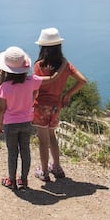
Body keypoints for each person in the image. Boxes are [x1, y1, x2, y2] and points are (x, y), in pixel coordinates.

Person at [0, 46, 65, 190]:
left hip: (10, 124)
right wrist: (63, 64)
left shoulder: (4, 86)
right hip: (26, 122)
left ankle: (12, 180)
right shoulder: (32, 81)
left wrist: (0, 124)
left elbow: (2, 109)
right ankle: (23, 180)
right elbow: (52, 78)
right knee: (25, 151)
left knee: (12, 153)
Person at [33, 28, 87, 182]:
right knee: (52, 136)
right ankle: (56, 167)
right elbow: (82, 81)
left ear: (43, 47)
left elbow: (35, 87)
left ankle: (44, 172)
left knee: (43, 140)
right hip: (56, 106)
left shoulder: (39, 65)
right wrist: (67, 94)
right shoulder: (65, 65)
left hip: (41, 106)